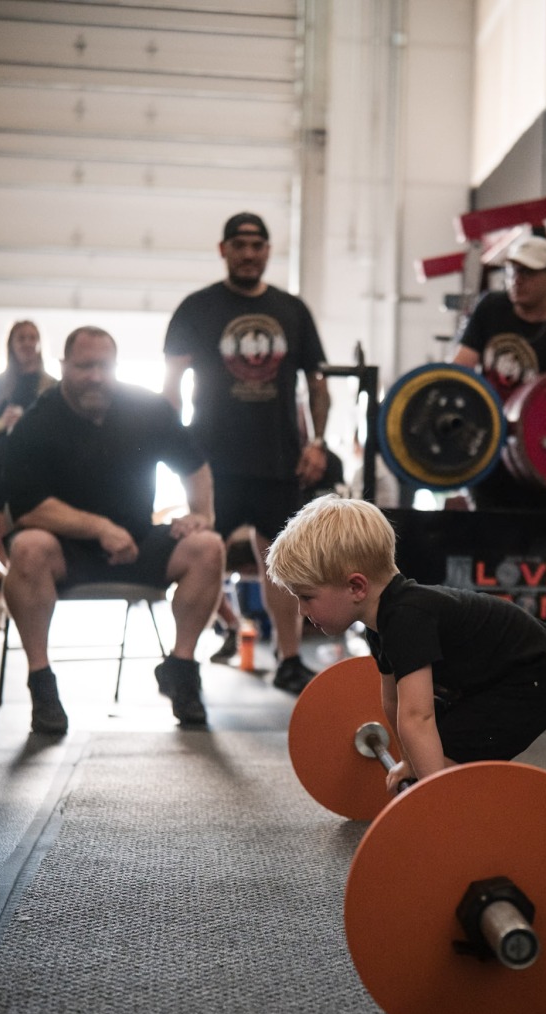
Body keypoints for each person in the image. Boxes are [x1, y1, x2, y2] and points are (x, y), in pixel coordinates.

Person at [3, 326, 225, 735]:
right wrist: (100, 528)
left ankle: (181, 669)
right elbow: (28, 509)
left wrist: (202, 515)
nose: (95, 376)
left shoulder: (149, 408)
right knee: (28, 547)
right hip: (66, 553)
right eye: (84, 366)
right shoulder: (39, 420)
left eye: (104, 366)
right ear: (64, 366)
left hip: (138, 544)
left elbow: (195, 466)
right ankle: (41, 681)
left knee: (208, 546)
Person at [266, 495, 546, 789]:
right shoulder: (379, 625)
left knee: (445, 764)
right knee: (432, 752)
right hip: (490, 678)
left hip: (532, 678)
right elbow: (393, 703)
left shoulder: (407, 618)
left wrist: (428, 796)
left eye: (306, 597)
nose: (301, 611)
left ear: (356, 587)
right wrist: (409, 763)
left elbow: (417, 718)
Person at [163, 212, 332, 694]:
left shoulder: (291, 310)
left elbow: (317, 384)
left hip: (279, 461)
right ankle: (183, 664)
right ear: (224, 250)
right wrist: (177, 450)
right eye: (239, 245)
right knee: (202, 558)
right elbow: (170, 387)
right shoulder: (197, 308)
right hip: (211, 464)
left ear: (268, 251)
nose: (249, 253)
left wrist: (317, 442)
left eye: (258, 245)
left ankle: (290, 659)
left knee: (282, 564)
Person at [451, 235, 546, 511]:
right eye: (512, 271)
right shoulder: (491, 308)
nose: (517, 279)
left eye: (528, 272)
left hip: (539, 456)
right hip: (490, 447)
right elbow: (460, 369)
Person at [0, 321, 57, 630]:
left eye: (32, 337)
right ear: (12, 343)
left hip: (34, 469)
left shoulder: (51, 385)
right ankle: (0, 601)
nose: (27, 343)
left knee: (30, 534)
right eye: (21, 338)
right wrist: (1, 423)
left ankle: (30, 600)